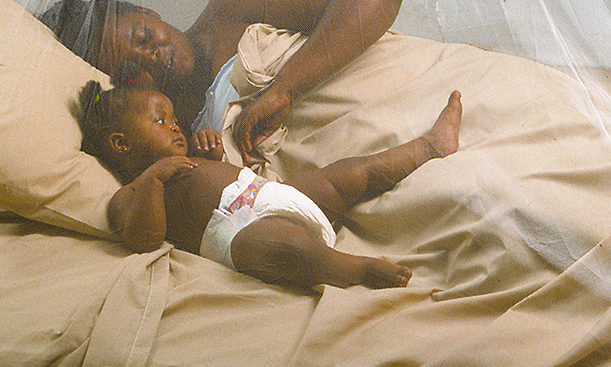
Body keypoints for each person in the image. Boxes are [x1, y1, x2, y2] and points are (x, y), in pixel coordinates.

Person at [77, 79, 463, 290]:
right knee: (290, 247)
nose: (176, 126)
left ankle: (428, 146)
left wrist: (211, 152)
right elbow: (144, 239)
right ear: (121, 144)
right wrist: (152, 183)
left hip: (260, 191)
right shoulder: (128, 193)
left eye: (175, 118)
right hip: (233, 233)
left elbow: (219, 176)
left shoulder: (187, 157)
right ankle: (355, 270)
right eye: (161, 121)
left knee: (345, 176)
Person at [40, 0, 404, 162]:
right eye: (135, 68)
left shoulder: (231, 8)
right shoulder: (171, 135)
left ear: (150, 13)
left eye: (144, 37)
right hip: (366, 160)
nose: (154, 57)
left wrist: (284, 91)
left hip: (399, 92)